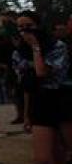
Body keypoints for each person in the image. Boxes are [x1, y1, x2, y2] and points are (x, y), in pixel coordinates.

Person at [17, 11, 71, 164]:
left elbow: (41, 72)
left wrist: (35, 46)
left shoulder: (57, 46)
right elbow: (27, 86)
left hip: (63, 100)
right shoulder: (19, 53)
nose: (25, 31)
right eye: (20, 27)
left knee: (66, 151)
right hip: (40, 102)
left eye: (29, 26)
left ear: (38, 26)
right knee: (42, 158)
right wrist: (26, 114)